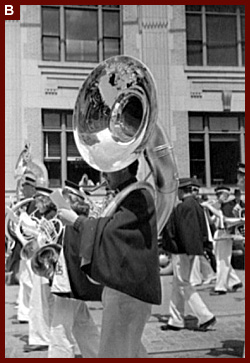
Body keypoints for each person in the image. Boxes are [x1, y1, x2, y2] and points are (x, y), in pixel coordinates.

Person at [58, 159, 162, 358]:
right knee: (130, 350)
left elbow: (113, 236)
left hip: (127, 291)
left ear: (122, 168)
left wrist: (77, 221)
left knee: (114, 352)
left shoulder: (137, 196)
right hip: (125, 288)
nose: (103, 177)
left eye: (107, 171)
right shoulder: (129, 195)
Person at [47, 185, 102, 358]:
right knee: (83, 323)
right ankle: (97, 355)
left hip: (68, 283)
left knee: (59, 329)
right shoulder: (74, 223)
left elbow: (69, 253)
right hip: (72, 282)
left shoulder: (75, 224)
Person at [161, 178, 216, 331]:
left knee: (184, 284)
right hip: (187, 250)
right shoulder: (196, 206)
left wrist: (189, 250)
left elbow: (187, 231)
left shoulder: (184, 207)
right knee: (178, 285)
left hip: (182, 251)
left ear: (182, 190)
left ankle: (205, 316)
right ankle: (175, 319)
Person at [23, 186, 60, 353]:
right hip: (42, 263)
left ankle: (42, 337)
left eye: (39, 202)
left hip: (47, 265)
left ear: (46, 201)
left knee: (42, 302)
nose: (37, 206)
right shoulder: (45, 217)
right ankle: (41, 336)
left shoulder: (53, 217)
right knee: (38, 302)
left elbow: (52, 241)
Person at [206, 186, 243, 296]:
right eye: (221, 195)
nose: (222, 197)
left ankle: (220, 287)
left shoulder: (229, 206)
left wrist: (209, 206)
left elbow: (223, 219)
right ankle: (235, 281)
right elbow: (212, 221)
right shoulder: (220, 206)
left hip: (225, 233)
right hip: (218, 233)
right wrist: (207, 211)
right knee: (222, 259)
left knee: (221, 261)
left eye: (224, 195)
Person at [189, 180, 216, 286]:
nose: (195, 192)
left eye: (196, 190)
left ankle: (196, 279)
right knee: (198, 255)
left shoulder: (199, 204)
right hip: (196, 232)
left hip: (201, 232)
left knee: (197, 255)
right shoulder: (192, 203)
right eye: (193, 190)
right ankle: (209, 274)